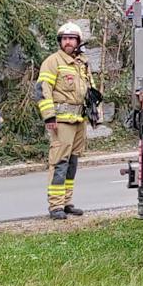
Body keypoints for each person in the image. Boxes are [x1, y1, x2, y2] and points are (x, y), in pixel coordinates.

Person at [36, 21, 92, 220]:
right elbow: (43, 91)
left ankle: (67, 202)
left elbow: (89, 91)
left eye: (72, 38)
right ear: (60, 41)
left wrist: (94, 113)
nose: (68, 42)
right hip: (61, 121)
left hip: (79, 120)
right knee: (59, 163)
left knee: (72, 163)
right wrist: (49, 116)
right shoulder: (53, 61)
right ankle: (55, 206)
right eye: (65, 39)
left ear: (78, 41)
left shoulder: (81, 63)